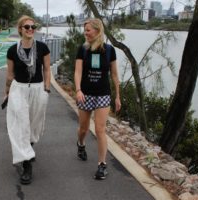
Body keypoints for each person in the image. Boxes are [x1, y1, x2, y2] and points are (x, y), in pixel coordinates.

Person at [4, 15, 51, 185]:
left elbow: (47, 69)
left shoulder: (43, 47)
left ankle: (29, 149)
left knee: (34, 125)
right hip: (19, 90)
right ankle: (26, 165)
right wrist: (7, 92)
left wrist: (47, 88)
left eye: (33, 26)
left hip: (38, 89)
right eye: (27, 27)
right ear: (20, 30)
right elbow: (10, 75)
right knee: (21, 125)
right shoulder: (12, 50)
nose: (31, 29)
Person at [74, 18, 121, 180]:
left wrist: (118, 96)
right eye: (85, 30)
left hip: (103, 94)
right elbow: (78, 72)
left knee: (100, 130)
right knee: (83, 129)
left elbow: (114, 75)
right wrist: (78, 90)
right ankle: (80, 144)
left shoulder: (109, 50)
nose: (85, 33)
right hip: (85, 94)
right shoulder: (83, 49)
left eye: (88, 30)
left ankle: (102, 165)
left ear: (97, 31)